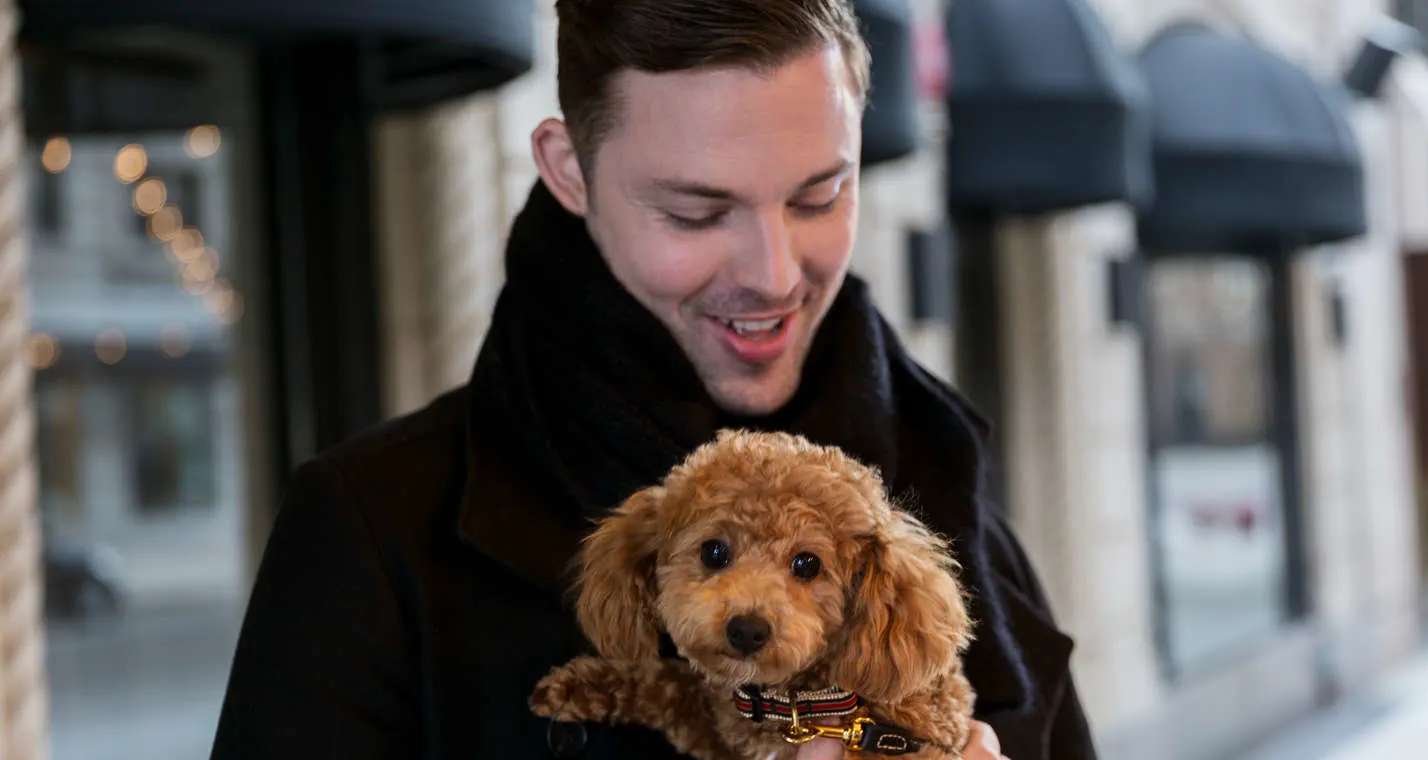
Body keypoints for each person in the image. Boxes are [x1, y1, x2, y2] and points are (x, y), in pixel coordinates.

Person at [209, 0, 1097, 757]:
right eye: (696, 211)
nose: (776, 272)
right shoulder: (374, 529)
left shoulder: (949, 488)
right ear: (568, 170)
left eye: (819, 196)